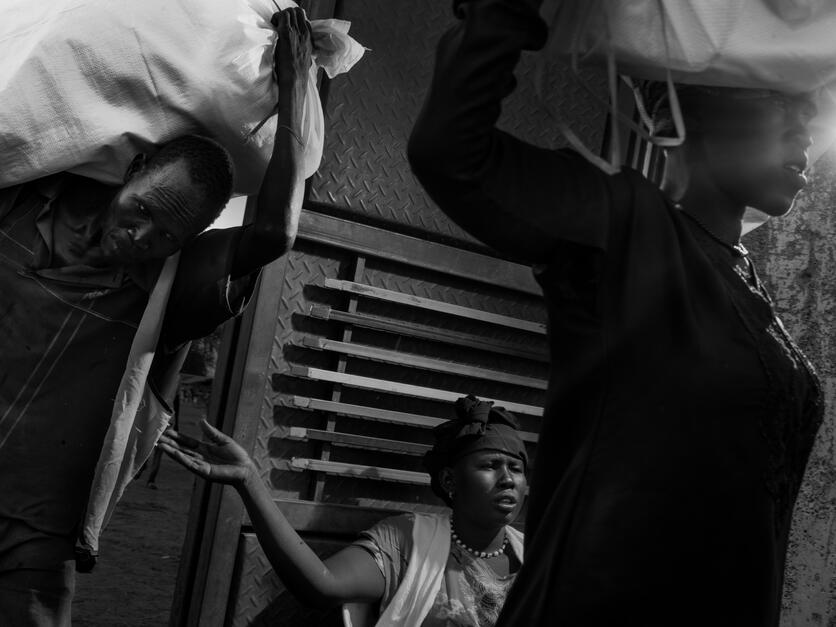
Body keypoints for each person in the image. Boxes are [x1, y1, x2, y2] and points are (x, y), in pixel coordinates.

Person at [407, 1, 823, 626]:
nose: (804, 130)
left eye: (808, 111)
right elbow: (452, 154)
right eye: (778, 102)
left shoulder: (745, 281)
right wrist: (503, 14)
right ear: (678, 111)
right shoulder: (626, 224)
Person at [0, 7, 312, 625]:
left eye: (167, 234)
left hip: (32, 541)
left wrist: (297, 87)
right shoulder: (20, 200)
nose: (140, 237)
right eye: (142, 210)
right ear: (135, 169)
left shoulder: (168, 289)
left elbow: (273, 234)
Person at [159, 394, 528, 626]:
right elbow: (322, 586)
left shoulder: (535, 557)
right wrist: (249, 481)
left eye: (516, 468)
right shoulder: (409, 541)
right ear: (449, 480)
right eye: (490, 465)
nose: (508, 479)